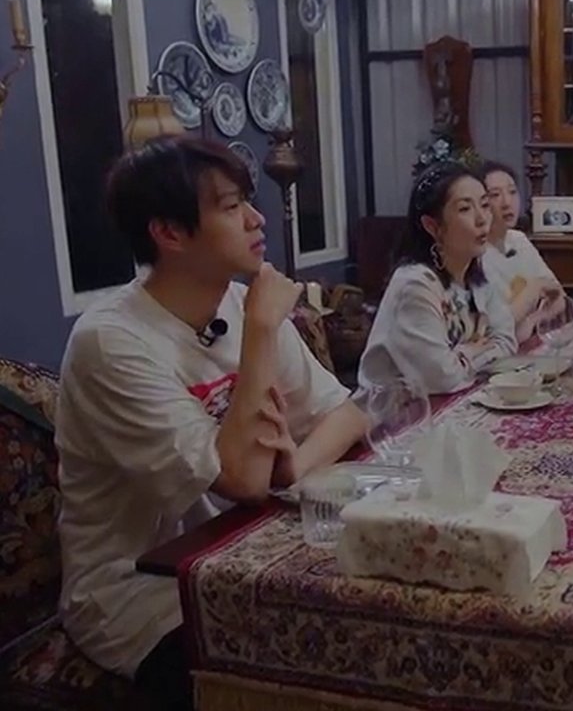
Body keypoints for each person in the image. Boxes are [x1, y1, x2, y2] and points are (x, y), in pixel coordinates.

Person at [55, 137, 367, 710]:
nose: (256, 219)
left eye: (247, 200)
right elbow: (243, 480)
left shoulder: (239, 304)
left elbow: (347, 414)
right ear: (169, 233)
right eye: (230, 206)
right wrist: (261, 333)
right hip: (142, 596)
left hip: (246, 555)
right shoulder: (112, 342)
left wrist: (294, 466)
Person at [360, 161, 517, 395]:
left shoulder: (476, 272)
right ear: (432, 226)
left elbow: (507, 342)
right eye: (465, 209)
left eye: (485, 205)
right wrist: (473, 350)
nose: (483, 219)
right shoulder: (414, 284)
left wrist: (461, 357)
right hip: (399, 413)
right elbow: (445, 378)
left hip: (460, 400)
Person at [478, 160, 564, 342]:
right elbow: (498, 326)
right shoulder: (476, 255)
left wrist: (533, 321)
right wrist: (535, 288)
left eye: (512, 192)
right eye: (495, 195)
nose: (507, 202)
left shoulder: (519, 240)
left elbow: (559, 297)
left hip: (532, 341)